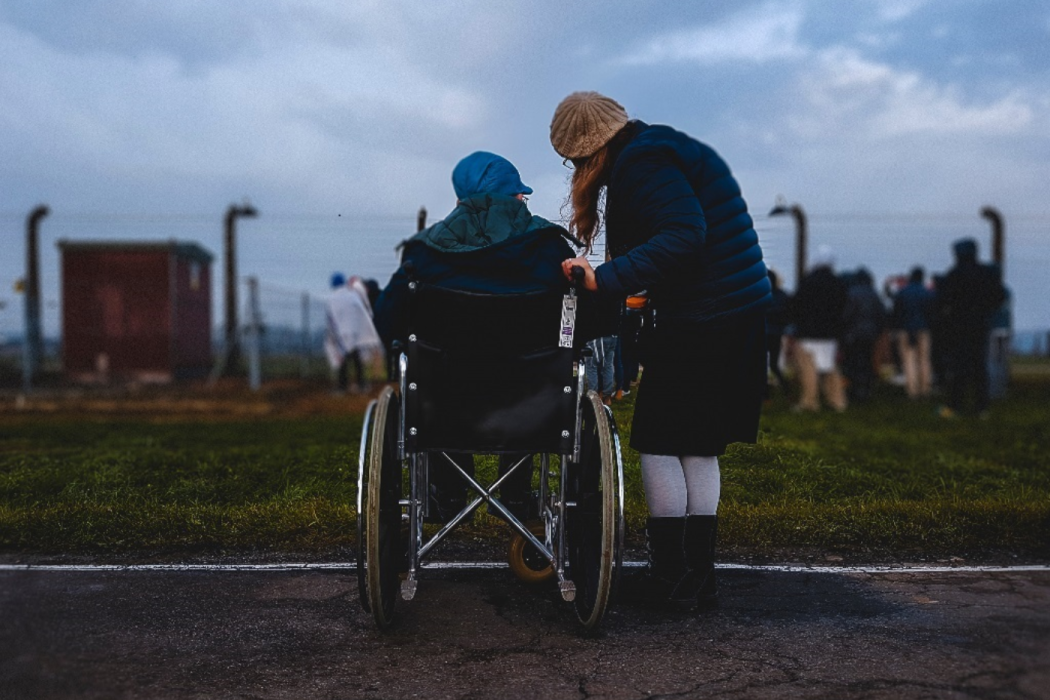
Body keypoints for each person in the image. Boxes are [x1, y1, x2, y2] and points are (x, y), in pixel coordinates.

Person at [550, 91, 771, 609]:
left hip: (705, 315)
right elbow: (689, 237)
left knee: (657, 439)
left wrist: (604, 278)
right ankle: (698, 577)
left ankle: (669, 573)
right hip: (732, 311)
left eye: (575, 161)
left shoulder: (642, 163)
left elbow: (683, 233)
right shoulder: (662, 148)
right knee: (696, 443)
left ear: (591, 150)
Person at [373, 151, 593, 522]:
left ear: (460, 199)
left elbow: (387, 320)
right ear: (516, 197)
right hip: (533, 405)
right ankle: (519, 495)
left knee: (441, 379)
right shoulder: (551, 249)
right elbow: (586, 321)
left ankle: (448, 493)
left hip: (444, 407)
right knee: (529, 374)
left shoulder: (424, 253)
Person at [935, 238, 1006, 417]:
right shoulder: (986, 274)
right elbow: (1000, 296)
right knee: (979, 367)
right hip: (980, 325)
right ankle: (982, 407)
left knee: (959, 367)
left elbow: (942, 300)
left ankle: (955, 406)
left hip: (959, 326)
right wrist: (986, 309)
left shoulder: (955, 274)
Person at [790, 246, 849, 412]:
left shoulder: (807, 282)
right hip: (830, 334)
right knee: (830, 368)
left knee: (808, 370)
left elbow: (796, 306)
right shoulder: (838, 283)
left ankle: (810, 402)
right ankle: (837, 401)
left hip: (808, 333)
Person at [324, 272, 383, 394]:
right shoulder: (352, 295)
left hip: (342, 335)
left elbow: (331, 319)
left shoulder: (331, 299)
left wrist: (334, 336)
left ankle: (342, 387)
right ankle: (362, 385)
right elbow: (363, 312)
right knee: (357, 360)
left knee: (343, 362)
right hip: (356, 333)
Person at [841, 268, 886, 403]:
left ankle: (855, 391)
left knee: (853, 363)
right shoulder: (874, 294)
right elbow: (881, 316)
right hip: (870, 335)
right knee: (866, 363)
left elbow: (846, 316)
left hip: (853, 335)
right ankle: (865, 390)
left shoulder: (851, 293)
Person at [891, 267, 935, 399]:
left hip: (905, 330)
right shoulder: (927, 293)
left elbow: (896, 312)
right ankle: (925, 388)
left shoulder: (902, 292)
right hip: (924, 329)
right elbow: (932, 313)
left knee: (909, 360)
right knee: (924, 359)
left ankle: (912, 390)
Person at [764, 269, 791, 397]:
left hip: (761, 334)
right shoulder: (782, 296)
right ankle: (786, 389)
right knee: (774, 365)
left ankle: (766, 393)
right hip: (776, 333)